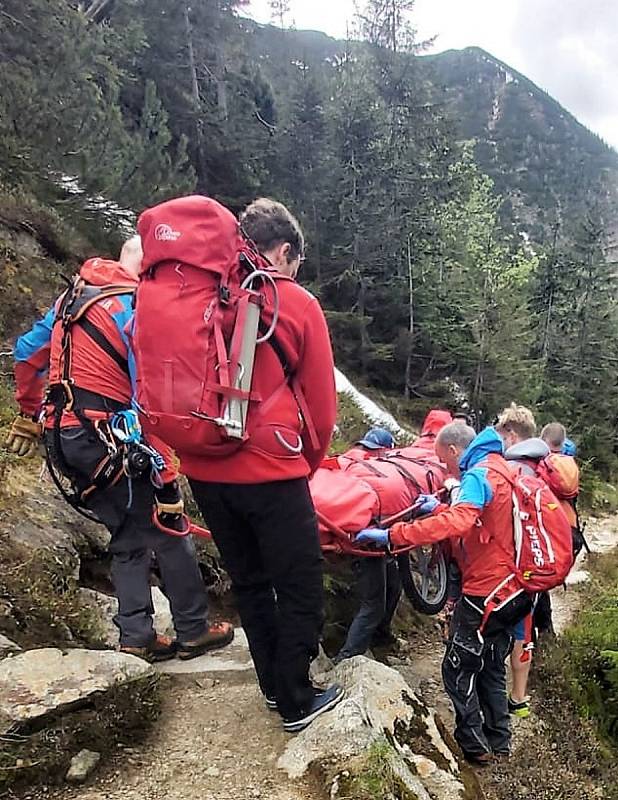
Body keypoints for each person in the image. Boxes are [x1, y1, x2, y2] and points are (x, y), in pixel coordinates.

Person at [7, 238, 233, 662]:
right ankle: (193, 627)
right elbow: (149, 400)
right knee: (171, 530)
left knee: (128, 533)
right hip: (108, 438)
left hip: (63, 438)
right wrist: (166, 476)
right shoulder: (135, 308)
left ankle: (137, 635)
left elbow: (25, 353)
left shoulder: (73, 299)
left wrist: (29, 411)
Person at [184, 198, 343, 733]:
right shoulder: (292, 302)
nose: (295, 271)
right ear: (282, 252)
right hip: (271, 472)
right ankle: (297, 697)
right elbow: (321, 409)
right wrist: (307, 465)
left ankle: (273, 690)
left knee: (249, 583)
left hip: (203, 468)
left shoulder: (195, 295)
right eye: (294, 261)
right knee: (298, 585)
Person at [356, 423, 533, 763]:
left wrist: (394, 536)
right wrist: (436, 509)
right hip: (516, 589)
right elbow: (484, 521)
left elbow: (461, 522)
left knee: (457, 668)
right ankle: (500, 740)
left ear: (454, 451)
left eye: (444, 461)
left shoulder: (478, 476)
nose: (445, 469)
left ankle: (474, 747)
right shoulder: (501, 468)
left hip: (487, 591)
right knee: (491, 666)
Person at [334, 428, 401, 662]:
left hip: (354, 535)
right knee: (373, 604)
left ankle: (381, 638)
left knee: (394, 586)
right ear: (383, 449)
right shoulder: (374, 467)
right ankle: (347, 659)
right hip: (364, 542)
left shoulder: (346, 460)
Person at [495, 402, 543, 718]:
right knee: (524, 630)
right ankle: (519, 697)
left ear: (511, 435)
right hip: (538, 564)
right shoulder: (543, 467)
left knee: (504, 629)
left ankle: (498, 696)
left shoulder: (513, 470)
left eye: (501, 433)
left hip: (511, 566)